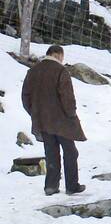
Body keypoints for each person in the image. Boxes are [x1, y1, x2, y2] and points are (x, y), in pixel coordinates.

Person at [21, 45, 86, 196]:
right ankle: (72, 186)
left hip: (42, 121)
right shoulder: (60, 71)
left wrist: (35, 113)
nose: (62, 60)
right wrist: (71, 115)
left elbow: (25, 97)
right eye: (62, 57)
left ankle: (51, 186)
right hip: (61, 121)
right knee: (70, 152)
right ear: (57, 55)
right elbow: (67, 97)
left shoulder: (33, 71)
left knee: (51, 152)